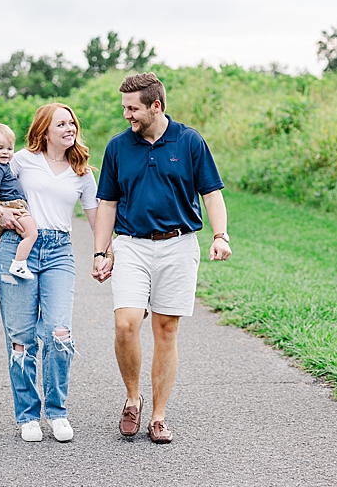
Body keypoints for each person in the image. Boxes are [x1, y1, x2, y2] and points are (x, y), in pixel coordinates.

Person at [92, 72, 232, 444]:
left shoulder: (188, 141)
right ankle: (132, 399)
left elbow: (212, 192)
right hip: (132, 245)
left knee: (166, 330)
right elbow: (107, 202)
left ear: (156, 105)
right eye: (124, 108)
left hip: (179, 244)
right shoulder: (118, 148)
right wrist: (101, 250)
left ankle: (158, 416)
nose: (127, 115)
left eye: (133, 108)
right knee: (126, 324)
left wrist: (220, 235)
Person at [0, 103, 99, 444]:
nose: (70, 127)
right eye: (61, 123)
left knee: (59, 333)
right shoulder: (20, 161)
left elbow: (95, 220)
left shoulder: (83, 173)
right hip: (18, 247)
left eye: (72, 122)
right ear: (44, 131)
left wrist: (106, 251)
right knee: (21, 339)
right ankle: (28, 415)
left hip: (59, 251)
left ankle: (57, 412)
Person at [0, 123, 38, 280]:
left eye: (10, 149)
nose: (5, 152)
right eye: (0, 148)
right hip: (12, 207)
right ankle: (19, 263)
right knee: (31, 234)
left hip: (2, 209)